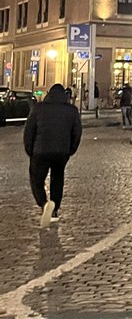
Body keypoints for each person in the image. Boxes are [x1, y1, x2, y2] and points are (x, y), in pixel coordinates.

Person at [23, 83, 82, 228]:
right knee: (57, 179)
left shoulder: (38, 109)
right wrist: (70, 150)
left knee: (36, 179)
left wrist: (30, 150)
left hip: (40, 151)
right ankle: (54, 209)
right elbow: (77, 133)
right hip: (61, 152)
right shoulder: (72, 110)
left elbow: (29, 131)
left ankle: (44, 203)